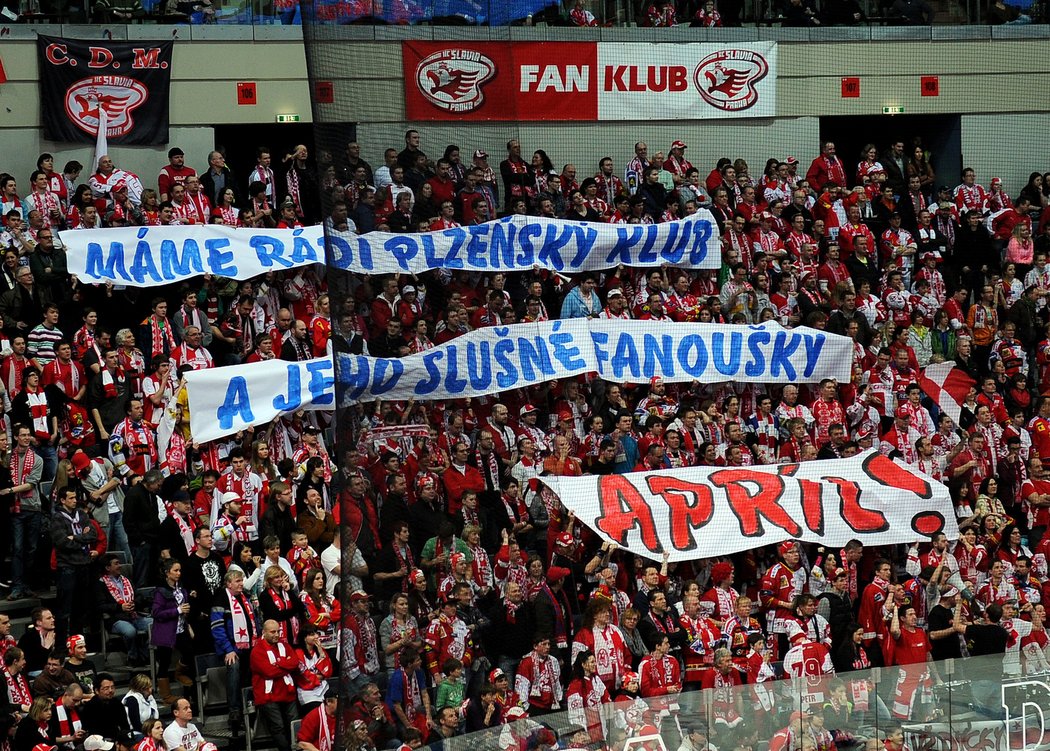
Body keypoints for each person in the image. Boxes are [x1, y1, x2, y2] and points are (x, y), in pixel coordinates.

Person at [250, 619, 298, 751]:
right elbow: (269, 672)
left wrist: (279, 663)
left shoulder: (284, 645)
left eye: (278, 631)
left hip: (288, 692)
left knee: (293, 724)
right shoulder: (257, 651)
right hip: (268, 696)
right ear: (264, 633)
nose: (276, 634)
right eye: (272, 632)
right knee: (278, 727)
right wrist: (285, 663)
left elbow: (295, 662)